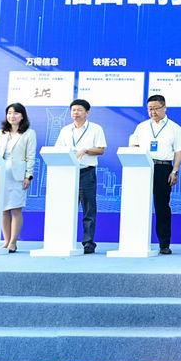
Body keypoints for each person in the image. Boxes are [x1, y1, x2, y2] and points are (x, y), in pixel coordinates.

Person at [131, 95, 181, 255]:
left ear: (164, 108)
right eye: (150, 109)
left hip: (163, 168)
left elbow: (179, 151)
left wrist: (175, 170)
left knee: (162, 206)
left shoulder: (174, 128)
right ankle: (136, 242)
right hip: (143, 167)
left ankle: (164, 244)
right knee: (139, 204)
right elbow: (133, 146)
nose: (153, 112)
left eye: (156, 108)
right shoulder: (141, 127)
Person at [53, 99, 107, 255]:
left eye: (79, 110)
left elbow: (101, 150)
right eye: (73, 110)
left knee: (89, 209)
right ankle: (63, 240)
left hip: (86, 172)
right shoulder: (65, 130)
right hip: (68, 172)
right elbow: (58, 150)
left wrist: (85, 150)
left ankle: (88, 243)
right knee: (65, 207)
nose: (75, 113)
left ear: (87, 112)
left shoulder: (96, 129)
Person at [0, 103, 37, 253]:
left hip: (18, 176)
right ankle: (6, 241)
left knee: (16, 209)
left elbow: (30, 156)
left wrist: (28, 176)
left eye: (16, 113)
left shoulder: (29, 133)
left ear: (22, 116)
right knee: (3, 210)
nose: (12, 116)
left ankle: (13, 242)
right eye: (9, 113)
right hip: (1, 174)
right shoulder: (1, 133)